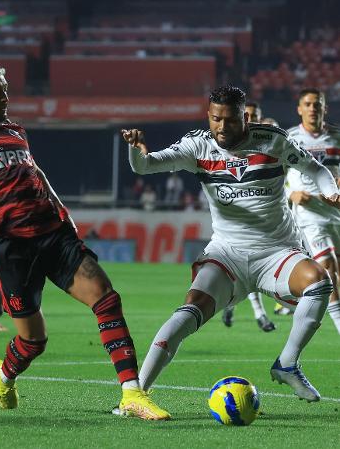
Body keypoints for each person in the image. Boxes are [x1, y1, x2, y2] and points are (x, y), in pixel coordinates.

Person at [0, 60, 169, 420]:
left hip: (53, 233)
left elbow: (34, 171)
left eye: (6, 88)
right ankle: (3, 374)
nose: (6, 95)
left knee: (105, 297)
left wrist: (62, 210)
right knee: (33, 341)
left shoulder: (16, 130)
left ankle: (132, 393)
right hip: (11, 246)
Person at [120, 85, 338, 414]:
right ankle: (136, 396)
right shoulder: (198, 145)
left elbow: (316, 170)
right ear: (209, 116)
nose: (222, 127)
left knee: (320, 281)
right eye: (215, 119)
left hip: (276, 252)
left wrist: (331, 190)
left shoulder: (273, 140)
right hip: (228, 254)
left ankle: (287, 363)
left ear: (245, 117)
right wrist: (136, 151)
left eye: (230, 120)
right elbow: (146, 165)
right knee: (188, 313)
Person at [286, 88, 340, 334]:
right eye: (307, 104)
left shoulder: (336, 136)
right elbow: (276, 176)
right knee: (328, 266)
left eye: (316, 104)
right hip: (308, 213)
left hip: (335, 209)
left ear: (324, 108)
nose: (312, 108)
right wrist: (290, 194)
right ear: (299, 109)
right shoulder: (289, 138)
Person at [222, 100, 276, 332]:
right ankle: (260, 315)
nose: (251, 118)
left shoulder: (267, 142)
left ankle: (233, 304)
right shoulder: (230, 143)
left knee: (253, 268)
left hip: (267, 215)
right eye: (248, 114)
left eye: (256, 115)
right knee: (247, 266)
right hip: (236, 215)